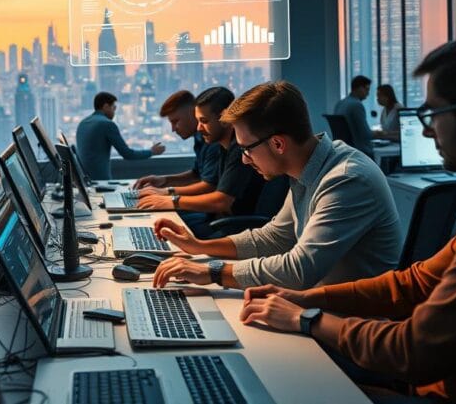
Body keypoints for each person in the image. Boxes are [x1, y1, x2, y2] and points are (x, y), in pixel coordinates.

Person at [236, 25, 456, 403]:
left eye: (434, 114)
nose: (427, 130)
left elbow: (414, 350)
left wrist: (306, 319)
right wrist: (306, 299)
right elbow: (413, 283)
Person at [151, 81, 402, 291]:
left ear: (278, 144)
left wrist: (213, 271)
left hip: (348, 328)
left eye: (247, 149)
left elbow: (299, 269)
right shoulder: (307, 170)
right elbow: (274, 238)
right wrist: (199, 247)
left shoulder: (346, 180)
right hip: (313, 308)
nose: (243, 159)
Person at [136, 87, 265, 238]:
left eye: (204, 121)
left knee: (163, 235)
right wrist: (165, 184)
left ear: (224, 118)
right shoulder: (224, 147)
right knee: (158, 230)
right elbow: (199, 176)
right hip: (222, 220)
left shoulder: (239, 150)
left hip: (236, 229)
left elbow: (221, 200)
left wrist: (169, 198)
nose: (199, 128)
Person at [132, 90, 220, 195]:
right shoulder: (199, 139)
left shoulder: (212, 141)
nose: (173, 129)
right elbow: (197, 175)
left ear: (193, 113)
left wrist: (165, 193)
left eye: (175, 121)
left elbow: (209, 186)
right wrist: (164, 180)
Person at [75, 92, 165, 180]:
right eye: (113, 108)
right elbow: (127, 154)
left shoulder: (83, 123)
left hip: (84, 181)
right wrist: (151, 151)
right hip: (101, 182)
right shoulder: (107, 124)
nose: (114, 113)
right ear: (106, 106)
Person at [335, 75, 374, 156]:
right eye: (366, 89)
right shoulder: (356, 105)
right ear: (359, 88)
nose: (368, 93)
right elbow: (366, 134)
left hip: (343, 149)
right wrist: (384, 134)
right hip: (360, 151)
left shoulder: (340, 103)